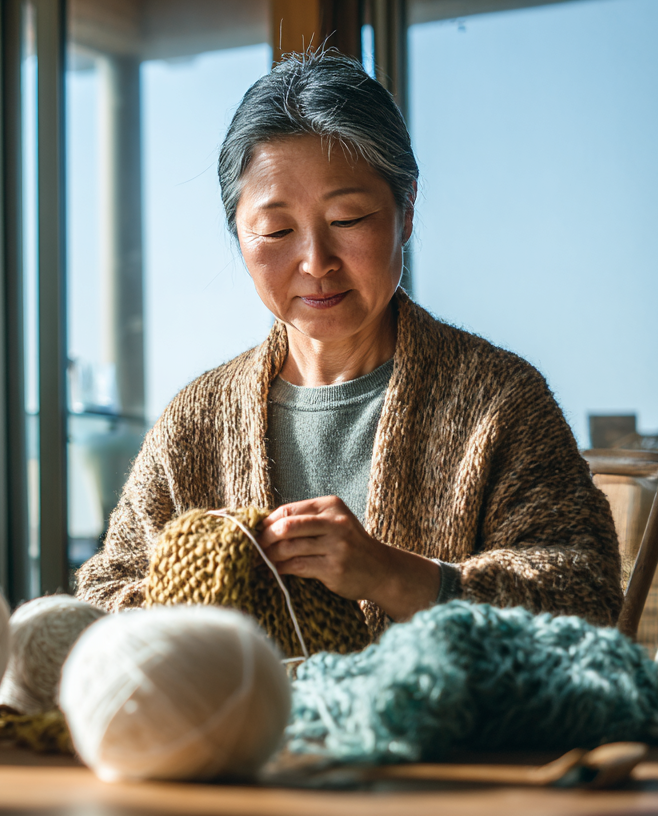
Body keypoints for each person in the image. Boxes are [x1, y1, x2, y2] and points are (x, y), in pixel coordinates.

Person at [74, 50, 622, 633]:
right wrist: (206, 602)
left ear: (405, 209)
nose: (315, 262)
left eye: (348, 220)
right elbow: (101, 595)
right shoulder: (196, 420)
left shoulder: (498, 402)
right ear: (239, 234)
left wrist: (391, 575)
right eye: (276, 230)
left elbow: (585, 596)